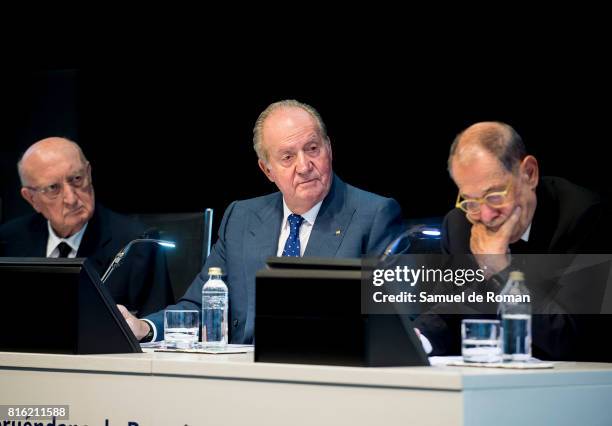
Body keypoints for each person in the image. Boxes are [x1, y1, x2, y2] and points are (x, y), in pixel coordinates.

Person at [122, 99, 407, 343]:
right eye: (287, 157)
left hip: (325, 373)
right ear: (267, 169)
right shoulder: (241, 218)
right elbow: (201, 304)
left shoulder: (374, 215)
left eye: (312, 148)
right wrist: (145, 328)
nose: (304, 166)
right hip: (244, 375)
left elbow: (392, 317)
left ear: (329, 148)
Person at [414, 121, 611, 361]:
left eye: (495, 196)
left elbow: (568, 338)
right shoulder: (460, 225)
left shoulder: (585, 217)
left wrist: (501, 270)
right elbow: (450, 311)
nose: (486, 216)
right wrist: (416, 338)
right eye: (471, 201)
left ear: (529, 173)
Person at [0, 137, 174, 316]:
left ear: (89, 174)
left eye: (76, 179)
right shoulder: (8, 241)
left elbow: (157, 328)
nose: (71, 199)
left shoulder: (137, 243)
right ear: (31, 198)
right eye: (53, 188)